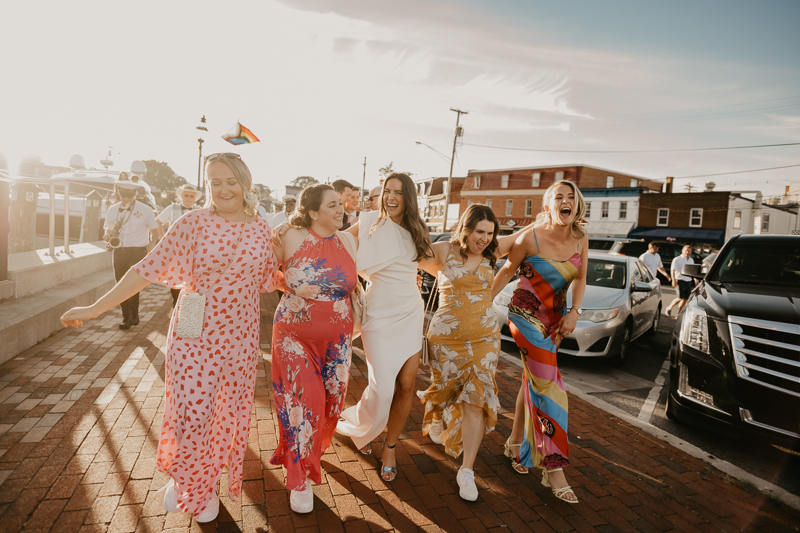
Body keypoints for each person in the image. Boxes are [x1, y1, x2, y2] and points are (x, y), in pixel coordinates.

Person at [61, 153, 281, 523]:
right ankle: (191, 481)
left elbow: (266, 281)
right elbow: (144, 270)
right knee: (192, 413)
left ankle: (202, 478)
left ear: (246, 182)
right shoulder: (192, 222)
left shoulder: (262, 228)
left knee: (224, 411)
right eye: (215, 181)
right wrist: (95, 309)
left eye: (231, 180)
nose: (223, 188)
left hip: (241, 332)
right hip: (194, 319)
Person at [416, 204, 532, 501]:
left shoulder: (493, 252)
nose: (484, 238)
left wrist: (551, 217)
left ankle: (467, 469)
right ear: (466, 228)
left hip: (484, 340)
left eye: (490, 232)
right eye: (479, 231)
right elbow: (406, 257)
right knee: (446, 390)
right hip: (446, 339)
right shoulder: (443, 251)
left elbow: (526, 233)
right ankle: (436, 404)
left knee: (475, 398)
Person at [491, 180, 588, 504]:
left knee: (532, 382)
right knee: (550, 387)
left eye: (570, 197)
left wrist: (575, 312)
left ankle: (516, 445)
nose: (566, 201)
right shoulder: (529, 237)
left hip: (555, 323)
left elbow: (582, 277)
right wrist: (480, 302)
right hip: (524, 318)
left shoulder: (580, 238)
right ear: (548, 205)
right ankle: (553, 466)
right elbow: (507, 270)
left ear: (577, 204)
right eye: (558, 197)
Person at [336, 173, 433, 482]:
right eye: (387, 192)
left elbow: (430, 263)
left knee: (406, 385)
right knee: (382, 386)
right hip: (378, 314)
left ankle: (390, 446)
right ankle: (357, 427)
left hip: (410, 310)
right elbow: (337, 242)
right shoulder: (369, 224)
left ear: (409, 198)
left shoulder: (418, 230)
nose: (390, 197)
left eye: (398, 192)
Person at [269, 184, 358, 514]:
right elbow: (263, 270)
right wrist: (288, 286)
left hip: (338, 339)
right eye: (333, 204)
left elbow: (355, 284)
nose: (341, 209)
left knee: (331, 405)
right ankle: (299, 477)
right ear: (313, 212)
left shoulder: (348, 240)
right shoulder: (290, 236)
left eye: (341, 204)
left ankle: (304, 452)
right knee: (306, 401)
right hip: (293, 334)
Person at [103, 179, 162, 329]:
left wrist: (151, 245)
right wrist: (107, 235)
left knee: (132, 283)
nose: (127, 199)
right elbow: (108, 229)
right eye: (124, 195)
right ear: (119, 193)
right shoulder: (112, 210)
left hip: (137, 250)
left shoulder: (146, 209)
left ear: (135, 194)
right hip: (119, 250)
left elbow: (154, 230)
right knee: (120, 284)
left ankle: (134, 312)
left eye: (130, 195)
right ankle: (125, 317)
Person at [157, 184, 203, 307]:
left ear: (195, 198)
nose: (189, 198)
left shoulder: (199, 211)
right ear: (182, 196)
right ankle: (176, 305)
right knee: (175, 279)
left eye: (191, 196)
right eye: (186, 195)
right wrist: (163, 239)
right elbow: (158, 221)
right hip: (175, 251)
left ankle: (187, 307)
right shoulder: (172, 208)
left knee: (192, 280)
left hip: (193, 251)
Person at [666, 245, 694, 315]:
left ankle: (679, 314)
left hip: (688, 281)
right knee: (680, 298)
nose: (687, 252)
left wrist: (696, 280)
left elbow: (692, 271)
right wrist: (673, 280)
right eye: (686, 251)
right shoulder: (677, 259)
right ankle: (669, 307)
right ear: (682, 251)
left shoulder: (691, 260)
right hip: (680, 280)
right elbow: (672, 270)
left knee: (685, 299)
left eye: (689, 251)